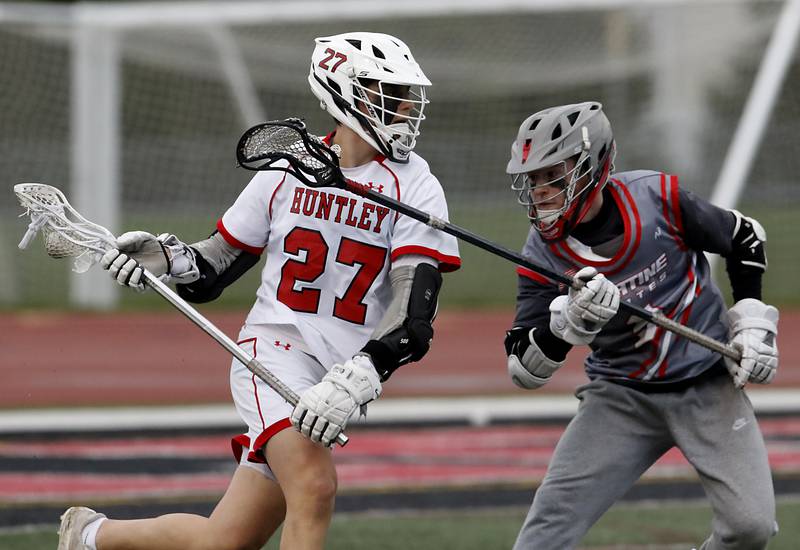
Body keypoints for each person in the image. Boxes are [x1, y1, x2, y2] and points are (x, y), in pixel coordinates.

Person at [57, 31, 460, 550]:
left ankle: (90, 534)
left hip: (337, 370)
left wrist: (361, 374)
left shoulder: (418, 186)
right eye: (392, 93)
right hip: (272, 354)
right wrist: (164, 258)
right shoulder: (285, 171)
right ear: (346, 93)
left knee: (226, 541)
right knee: (315, 488)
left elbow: (413, 314)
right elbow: (214, 267)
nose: (406, 109)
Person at [502, 101, 779, 550]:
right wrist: (568, 325)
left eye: (553, 175)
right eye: (532, 179)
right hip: (620, 396)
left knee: (751, 527)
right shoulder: (540, 254)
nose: (540, 192)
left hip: (707, 384)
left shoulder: (658, 197)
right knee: (542, 536)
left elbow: (745, 236)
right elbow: (523, 367)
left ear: (593, 165)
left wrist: (750, 322)